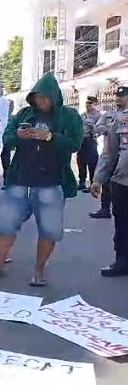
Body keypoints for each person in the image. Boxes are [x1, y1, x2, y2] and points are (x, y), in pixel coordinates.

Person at [0, 73, 83, 286]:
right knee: (7, 224)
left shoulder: (69, 116)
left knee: (49, 229)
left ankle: (39, 269)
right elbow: (6, 138)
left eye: (44, 98)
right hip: (20, 180)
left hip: (51, 182)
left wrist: (51, 137)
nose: (40, 102)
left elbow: (75, 144)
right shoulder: (24, 114)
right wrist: (18, 135)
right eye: (37, 97)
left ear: (54, 97)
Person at [91, 85, 128, 277]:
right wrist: (98, 179)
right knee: (122, 224)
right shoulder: (121, 120)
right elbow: (109, 153)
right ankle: (122, 262)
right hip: (122, 181)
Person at [90, 87, 128, 219]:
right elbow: (109, 153)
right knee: (122, 230)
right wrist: (98, 179)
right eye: (117, 96)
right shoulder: (116, 117)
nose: (118, 98)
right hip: (122, 176)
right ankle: (105, 209)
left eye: (122, 96)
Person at [77, 96, 102, 193]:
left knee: (92, 163)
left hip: (90, 140)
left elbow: (101, 129)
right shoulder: (82, 115)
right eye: (87, 103)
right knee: (80, 161)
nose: (88, 105)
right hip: (81, 140)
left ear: (95, 104)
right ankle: (82, 182)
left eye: (90, 103)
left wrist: (93, 127)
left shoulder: (98, 116)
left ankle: (92, 183)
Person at [0, 100, 15, 190]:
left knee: (6, 163)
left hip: (6, 143)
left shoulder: (13, 118)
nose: (11, 108)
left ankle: (7, 182)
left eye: (11, 106)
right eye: (9, 106)